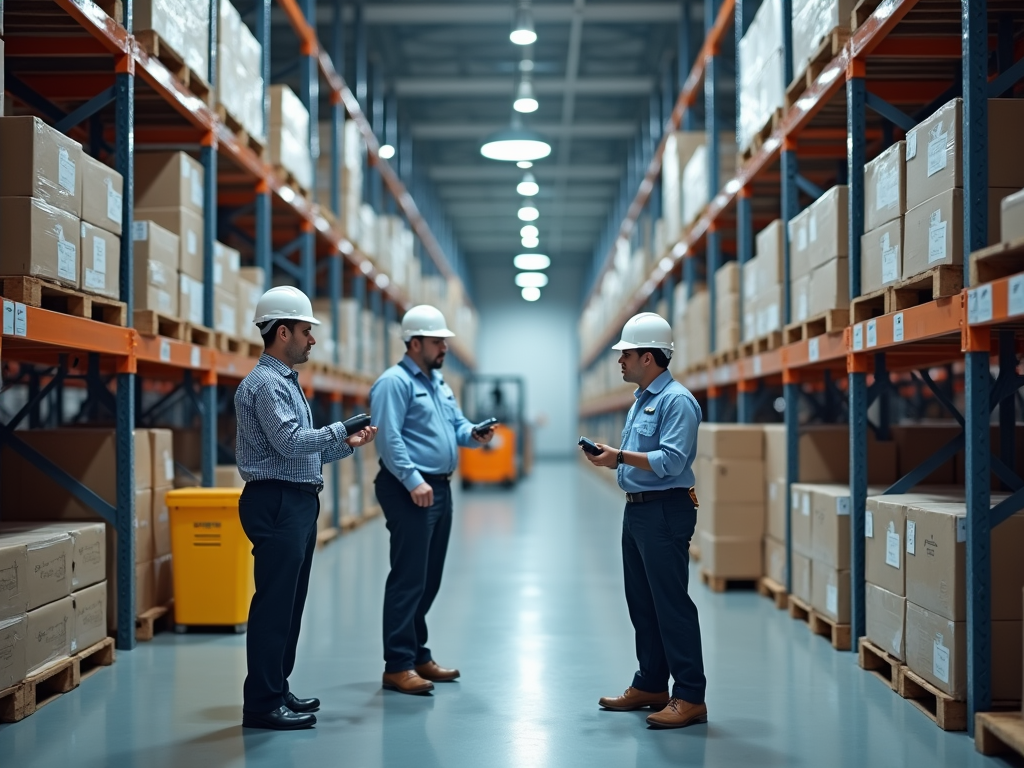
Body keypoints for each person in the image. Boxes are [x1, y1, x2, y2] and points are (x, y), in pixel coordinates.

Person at [235, 286, 377, 730]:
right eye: (305, 331)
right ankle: (261, 703)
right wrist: (339, 427)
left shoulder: (286, 383)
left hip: (294, 499)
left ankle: (277, 688)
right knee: (274, 605)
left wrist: (345, 445)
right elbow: (290, 442)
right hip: (275, 502)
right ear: (282, 332)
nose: (312, 339)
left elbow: (300, 453)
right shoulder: (263, 385)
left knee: (291, 604)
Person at [582, 311, 707, 729]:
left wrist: (618, 456)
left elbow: (670, 461)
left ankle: (689, 695)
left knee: (671, 605)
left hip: (665, 511)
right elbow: (640, 462)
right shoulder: (643, 400)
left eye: (627, 354)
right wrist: (612, 462)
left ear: (650, 358)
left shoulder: (678, 402)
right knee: (643, 605)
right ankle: (652, 683)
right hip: (637, 510)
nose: (620, 361)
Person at [370, 305, 494, 695]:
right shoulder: (394, 383)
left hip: (438, 488)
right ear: (415, 342)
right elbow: (388, 439)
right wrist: (412, 480)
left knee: (429, 577)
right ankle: (398, 664)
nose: (444, 347)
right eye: (438, 341)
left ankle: (418, 654)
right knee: (408, 577)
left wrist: (472, 433)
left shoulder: (439, 383)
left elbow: (456, 425)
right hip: (410, 489)